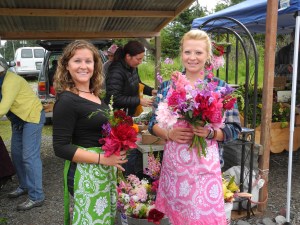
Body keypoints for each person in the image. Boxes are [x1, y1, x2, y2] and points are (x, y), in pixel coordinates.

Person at [148, 30, 242, 225]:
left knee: (204, 217)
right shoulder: (167, 86)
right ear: (181, 54)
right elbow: (152, 124)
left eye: (198, 53)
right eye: (187, 52)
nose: (192, 58)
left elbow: (234, 129)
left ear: (208, 56)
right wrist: (169, 133)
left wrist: (210, 132)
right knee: (178, 218)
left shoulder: (220, 88)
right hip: (175, 169)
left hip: (204, 168)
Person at [52, 40, 128, 225]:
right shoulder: (67, 100)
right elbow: (60, 147)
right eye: (77, 61)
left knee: (103, 218)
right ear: (67, 66)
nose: (83, 66)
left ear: (95, 65)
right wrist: (103, 159)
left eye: (88, 61)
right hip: (84, 172)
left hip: (102, 169)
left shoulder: (96, 96)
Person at [104, 40, 157, 178]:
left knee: (129, 147)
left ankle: (128, 177)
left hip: (126, 115)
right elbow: (114, 98)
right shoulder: (116, 70)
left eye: (142, 59)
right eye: (138, 59)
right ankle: (123, 179)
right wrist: (139, 100)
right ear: (128, 56)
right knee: (122, 150)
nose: (140, 61)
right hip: (116, 118)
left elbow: (137, 83)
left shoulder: (132, 67)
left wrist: (151, 91)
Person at [0, 57, 45, 211]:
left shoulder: (10, 81)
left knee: (29, 157)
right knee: (17, 155)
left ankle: (36, 196)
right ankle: (24, 185)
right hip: (18, 120)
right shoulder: (1, 79)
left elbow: (2, 108)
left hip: (32, 117)